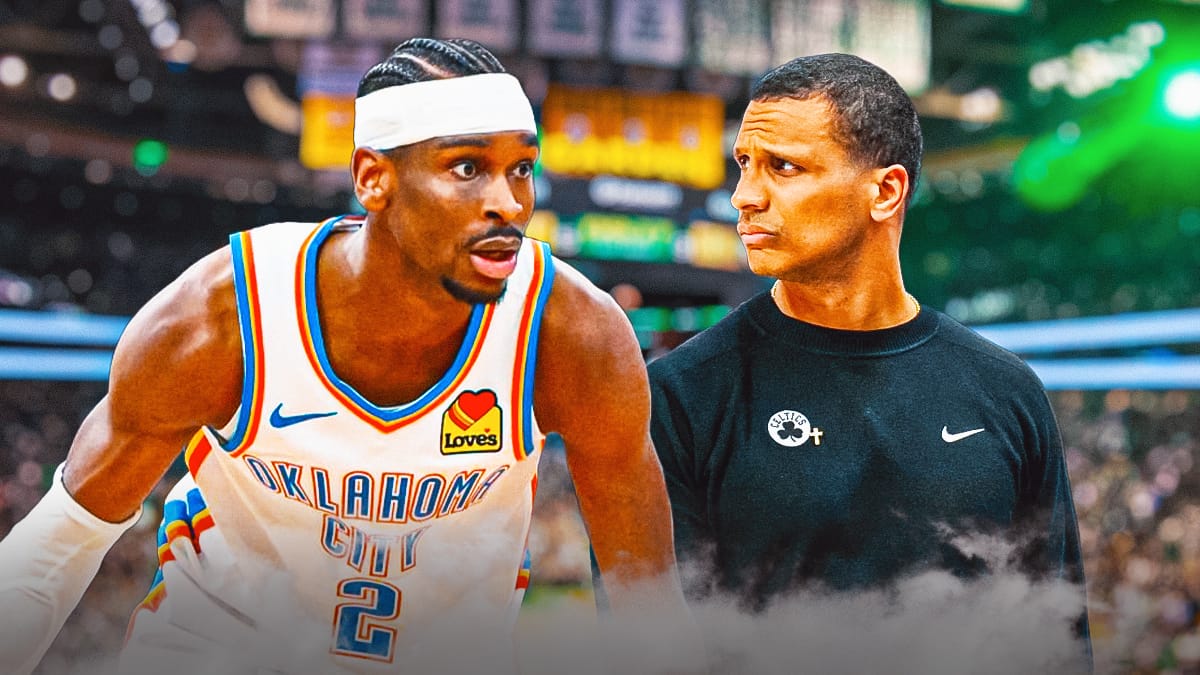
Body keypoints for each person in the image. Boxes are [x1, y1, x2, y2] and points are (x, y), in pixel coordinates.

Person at [0, 38, 699, 675]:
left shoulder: (572, 332)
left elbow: (645, 594)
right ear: (373, 178)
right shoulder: (222, 316)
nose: (508, 203)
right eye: (467, 168)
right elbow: (59, 544)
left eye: (521, 169)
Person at [647, 53, 1092, 669]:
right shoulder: (680, 396)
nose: (744, 197)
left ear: (885, 191)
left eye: (783, 167)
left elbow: (1059, 642)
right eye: (744, 164)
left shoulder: (1007, 391)